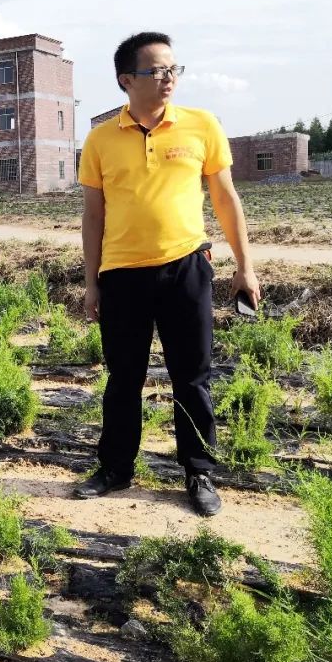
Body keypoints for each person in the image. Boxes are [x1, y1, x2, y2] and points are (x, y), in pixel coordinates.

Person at [76, 31, 261, 516]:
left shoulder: (201, 126)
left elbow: (225, 199)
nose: (168, 78)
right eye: (156, 70)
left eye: (173, 69)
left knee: (192, 377)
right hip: (121, 275)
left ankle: (199, 471)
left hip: (186, 267)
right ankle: (115, 469)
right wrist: (91, 281)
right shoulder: (99, 140)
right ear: (126, 80)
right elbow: (93, 215)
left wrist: (245, 267)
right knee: (123, 378)